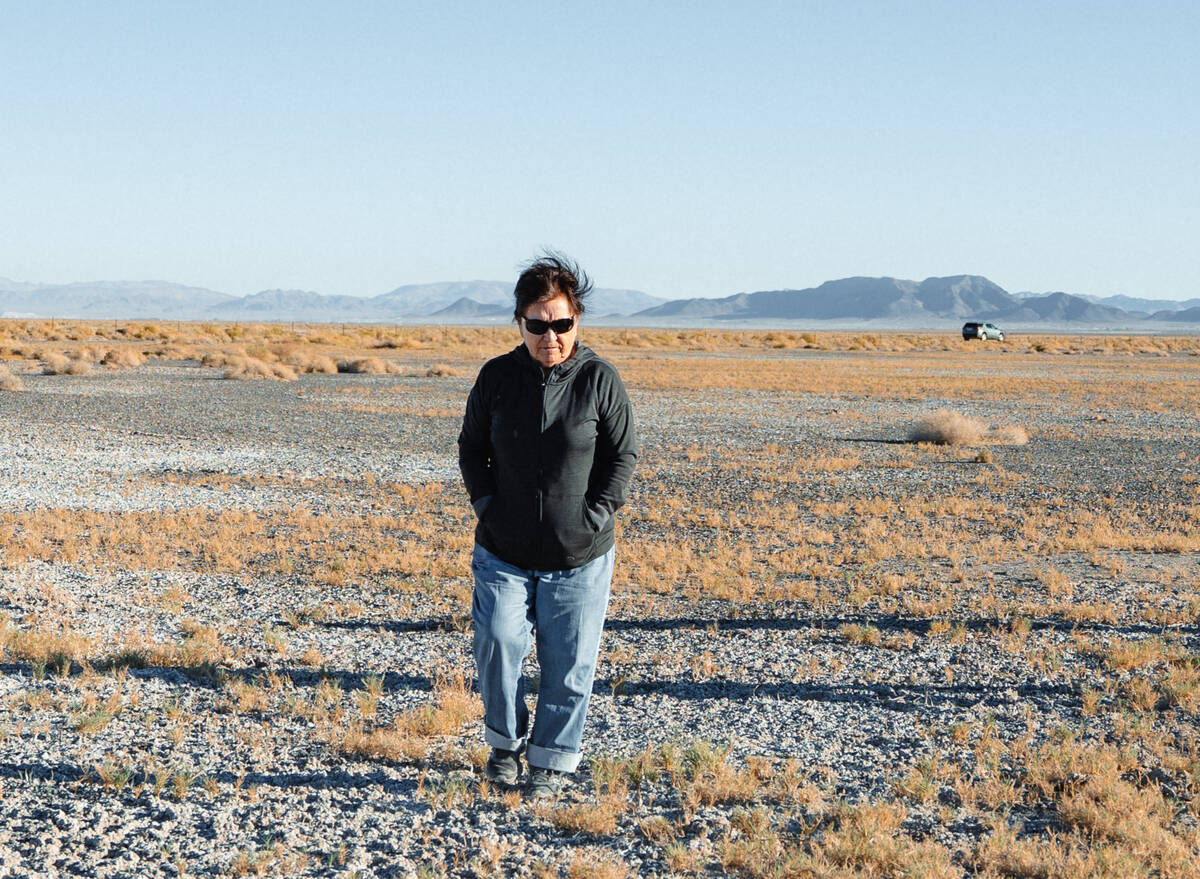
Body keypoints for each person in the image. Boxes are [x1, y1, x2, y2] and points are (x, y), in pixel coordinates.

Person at [458, 254, 638, 799]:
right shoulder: (496, 377)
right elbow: (471, 450)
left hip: (579, 553)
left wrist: (595, 516)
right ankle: (505, 747)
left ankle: (553, 761)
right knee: (496, 642)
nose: (550, 336)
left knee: (569, 662)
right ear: (520, 323)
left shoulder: (600, 381)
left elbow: (621, 457)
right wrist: (488, 507)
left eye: (561, 324)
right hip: (503, 550)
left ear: (577, 321)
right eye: (537, 324)